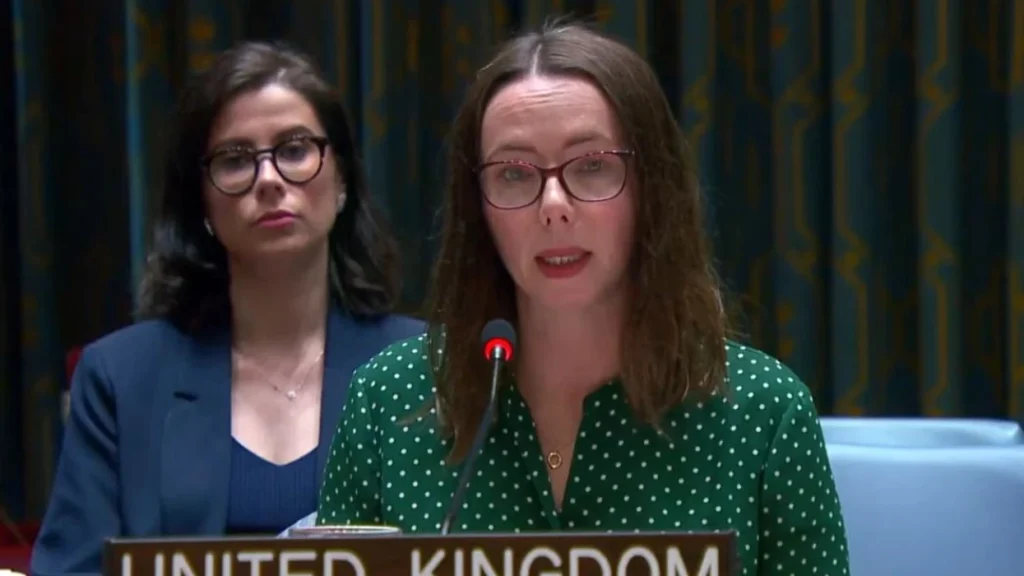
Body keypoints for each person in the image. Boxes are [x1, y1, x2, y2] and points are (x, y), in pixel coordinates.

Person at [315, 22, 850, 575]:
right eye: (514, 173)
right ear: (478, 206)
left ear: (652, 187)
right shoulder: (388, 399)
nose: (553, 205)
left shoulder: (764, 411)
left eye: (592, 166)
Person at [31, 41, 424, 575]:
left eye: (294, 150)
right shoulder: (121, 379)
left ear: (341, 182)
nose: (269, 180)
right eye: (235, 160)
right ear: (203, 205)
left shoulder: (425, 368)